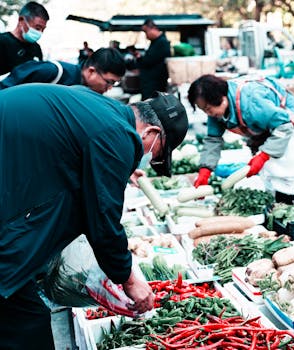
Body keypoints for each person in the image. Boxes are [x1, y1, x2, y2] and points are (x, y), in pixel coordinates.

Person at [0, 84, 188, 349]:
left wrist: (116, 167)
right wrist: (129, 279)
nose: (146, 159)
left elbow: (72, 145)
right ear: (152, 132)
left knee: (25, 312)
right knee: (27, 326)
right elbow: (104, 220)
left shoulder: (103, 110)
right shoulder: (118, 134)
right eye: (155, 155)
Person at [188, 74, 294, 204]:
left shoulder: (251, 100)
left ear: (222, 98)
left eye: (209, 109)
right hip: (269, 125)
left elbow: (283, 126)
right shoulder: (216, 111)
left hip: (293, 120)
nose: (208, 114)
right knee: (280, 172)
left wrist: (264, 155)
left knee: (288, 171)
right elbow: (213, 139)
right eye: (204, 110)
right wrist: (205, 170)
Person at [0, 47, 126, 94]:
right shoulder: (54, 71)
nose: (109, 88)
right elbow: (7, 86)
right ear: (91, 71)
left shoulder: (86, 90)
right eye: (109, 82)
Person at [0, 1, 49, 75]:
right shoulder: (3, 42)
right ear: (21, 20)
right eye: (37, 28)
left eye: (43, 29)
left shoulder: (36, 48)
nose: (40, 32)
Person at [127, 18, 171, 100]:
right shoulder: (156, 42)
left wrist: (140, 59)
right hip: (150, 83)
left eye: (146, 32)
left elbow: (150, 61)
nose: (146, 36)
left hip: (155, 84)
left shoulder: (162, 42)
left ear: (153, 29)